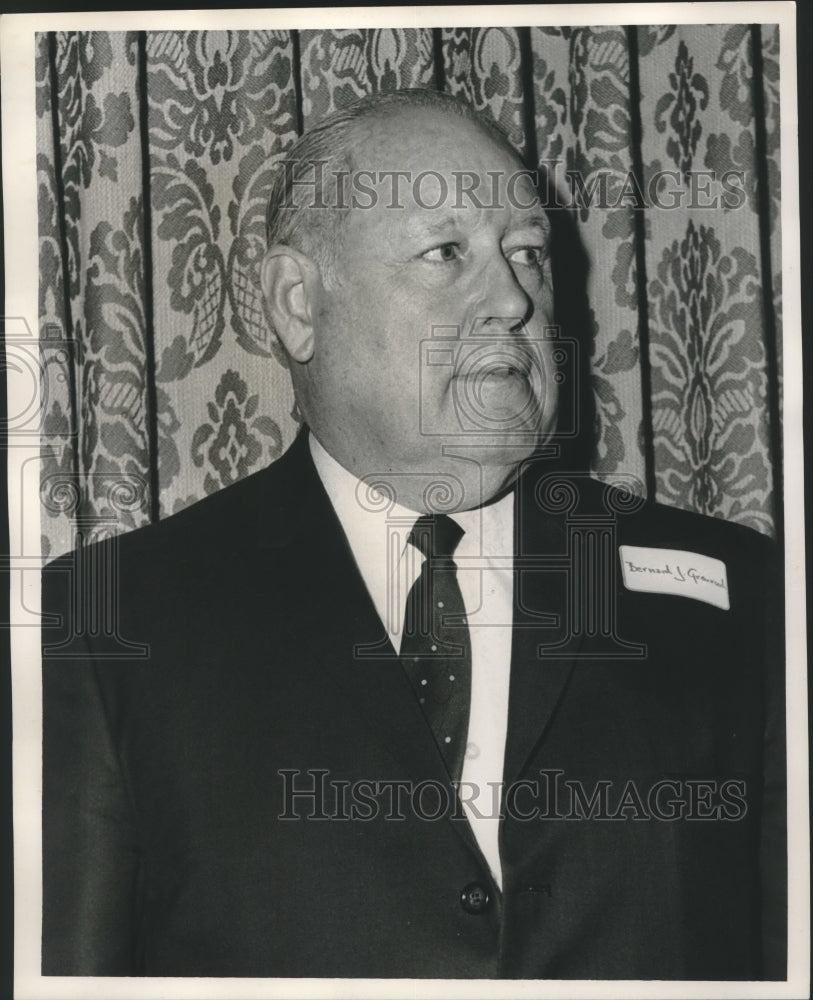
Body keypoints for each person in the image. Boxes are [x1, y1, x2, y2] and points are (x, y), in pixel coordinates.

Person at [41, 89, 786, 980]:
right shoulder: (109, 621)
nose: (513, 299)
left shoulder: (742, 593)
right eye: (446, 253)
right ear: (296, 303)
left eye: (527, 254)